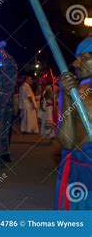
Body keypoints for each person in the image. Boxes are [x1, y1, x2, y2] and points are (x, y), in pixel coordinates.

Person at [55, 37, 92, 210]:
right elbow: (67, 141)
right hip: (81, 174)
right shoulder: (77, 94)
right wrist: (68, 97)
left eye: (84, 57)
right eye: (77, 57)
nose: (76, 64)